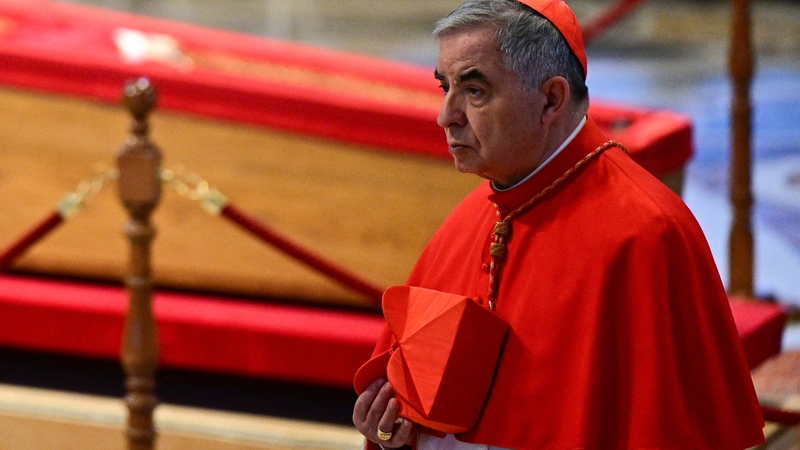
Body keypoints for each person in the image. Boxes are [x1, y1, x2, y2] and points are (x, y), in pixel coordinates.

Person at [352, 0, 766, 448]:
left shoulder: (646, 233)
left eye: (474, 91)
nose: (445, 116)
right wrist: (400, 434)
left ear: (551, 99)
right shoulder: (470, 217)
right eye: (444, 87)